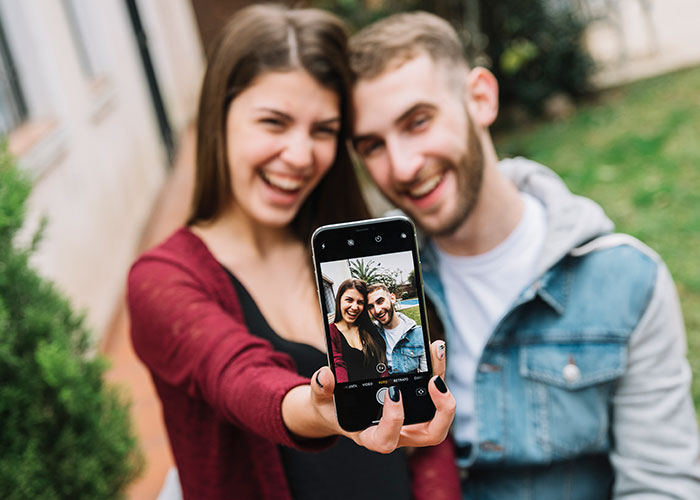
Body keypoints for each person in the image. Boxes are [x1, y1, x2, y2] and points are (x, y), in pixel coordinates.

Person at [349, 11, 700, 499]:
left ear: (480, 99)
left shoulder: (626, 280)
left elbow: (662, 485)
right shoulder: (370, 293)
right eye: (373, 146)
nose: (402, 167)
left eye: (419, 121)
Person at [127, 5, 458, 500]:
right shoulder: (163, 281)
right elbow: (238, 377)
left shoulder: (347, 251)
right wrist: (316, 408)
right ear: (218, 117)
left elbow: (424, 439)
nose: (301, 156)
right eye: (274, 122)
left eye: (323, 130)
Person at [329, 278, 388, 382]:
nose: (355, 307)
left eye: (360, 302)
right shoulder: (331, 332)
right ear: (338, 300)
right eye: (349, 300)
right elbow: (337, 365)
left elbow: (381, 363)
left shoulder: (369, 328)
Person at [367, 283, 427, 374]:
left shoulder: (418, 334)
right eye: (371, 306)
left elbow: (425, 373)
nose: (377, 310)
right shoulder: (371, 334)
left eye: (380, 301)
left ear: (392, 298)